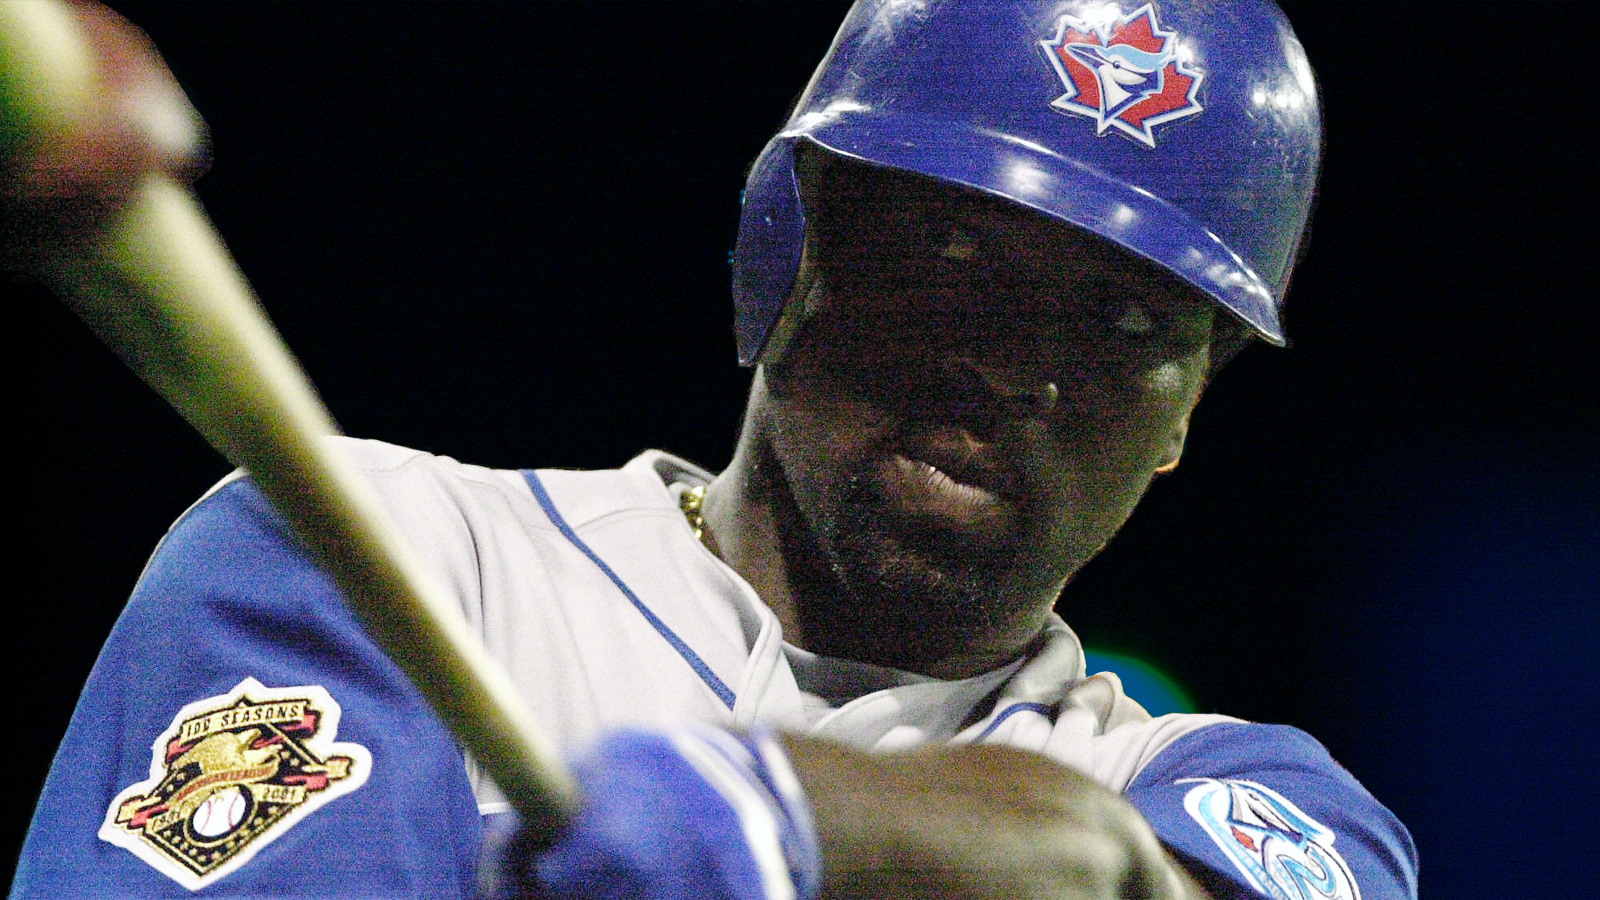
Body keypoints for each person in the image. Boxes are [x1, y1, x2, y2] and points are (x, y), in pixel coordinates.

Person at [8, 2, 1417, 898]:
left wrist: (794, 816)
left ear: (1186, 418)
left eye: (1121, 319)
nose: (1011, 362)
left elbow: (1126, 874)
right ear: (791, 253)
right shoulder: (376, 556)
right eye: (951, 246)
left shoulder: (1239, 794)